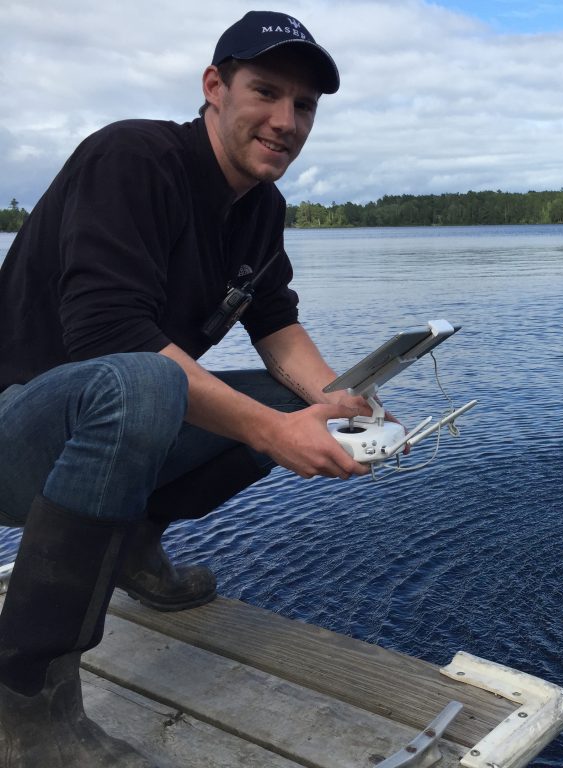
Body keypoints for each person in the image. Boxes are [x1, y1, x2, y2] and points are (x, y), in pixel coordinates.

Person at [0, 11, 395, 766]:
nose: (285, 121)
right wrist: (272, 434)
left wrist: (342, 402)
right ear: (215, 87)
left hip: (106, 428)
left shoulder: (261, 211)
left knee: (288, 403)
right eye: (266, 92)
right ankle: (29, 705)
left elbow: (276, 328)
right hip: (14, 432)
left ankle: (132, 548)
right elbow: (110, 336)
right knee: (148, 384)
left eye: (304, 106)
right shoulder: (132, 157)